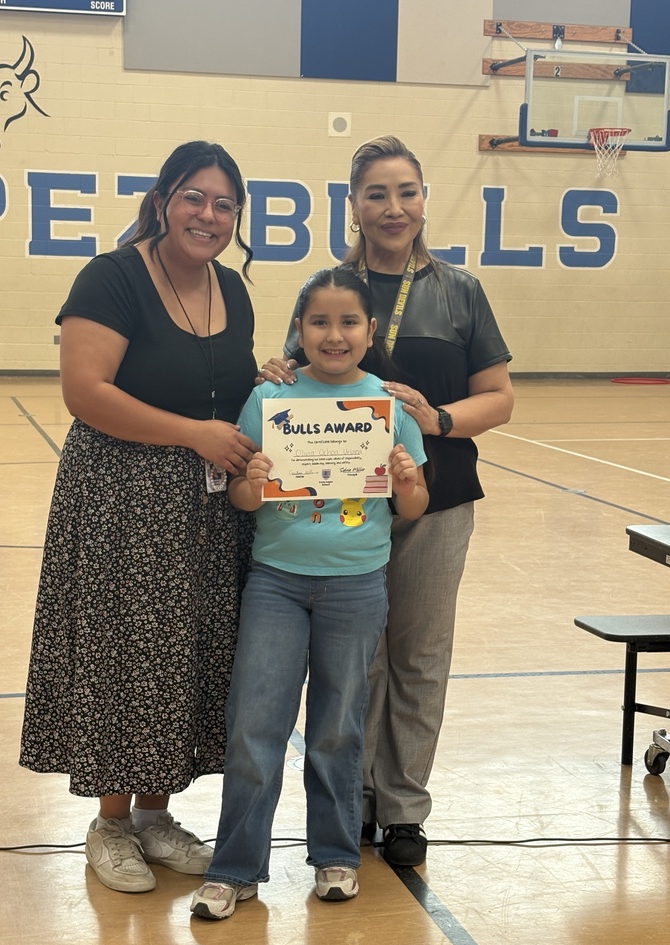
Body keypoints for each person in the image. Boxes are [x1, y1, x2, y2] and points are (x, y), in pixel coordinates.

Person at [261, 135, 514, 868]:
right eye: (376, 193)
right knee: (356, 658)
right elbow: (298, 380)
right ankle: (354, 802)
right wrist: (276, 371)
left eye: (406, 191)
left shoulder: (459, 289)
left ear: (424, 200)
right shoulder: (329, 288)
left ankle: (403, 807)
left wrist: (437, 419)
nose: (393, 207)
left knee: (418, 653)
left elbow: (499, 400)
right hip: (347, 506)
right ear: (354, 206)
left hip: (437, 497)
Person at [19, 140, 260, 893]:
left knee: (184, 656)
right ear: (163, 202)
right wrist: (193, 435)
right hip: (121, 497)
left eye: (224, 204)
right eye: (194, 197)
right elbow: (85, 392)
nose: (208, 214)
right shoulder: (113, 276)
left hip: (209, 511)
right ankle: (111, 823)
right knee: (123, 654)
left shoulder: (235, 288)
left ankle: (156, 818)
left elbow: (229, 386)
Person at [189, 267, 429, 920]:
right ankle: (234, 868)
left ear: (370, 331)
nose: (334, 334)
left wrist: (406, 479)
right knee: (255, 725)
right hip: (276, 585)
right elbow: (240, 497)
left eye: (349, 321)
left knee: (337, 728)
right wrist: (257, 484)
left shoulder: (389, 405)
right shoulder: (271, 399)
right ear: (299, 330)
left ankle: (335, 856)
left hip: (356, 589)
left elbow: (414, 506)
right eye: (318, 321)